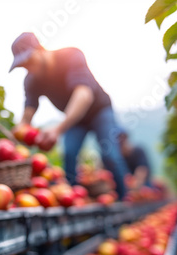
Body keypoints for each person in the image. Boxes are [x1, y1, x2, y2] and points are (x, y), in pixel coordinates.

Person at [9, 32, 130, 199]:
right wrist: (17, 136)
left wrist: (58, 129)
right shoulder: (31, 80)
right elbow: (28, 113)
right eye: (24, 65)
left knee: (110, 155)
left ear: (41, 49)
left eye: (29, 60)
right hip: (76, 120)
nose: (28, 67)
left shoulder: (71, 56)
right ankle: (74, 200)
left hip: (99, 111)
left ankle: (124, 200)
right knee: (69, 154)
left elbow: (84, 95)